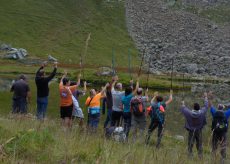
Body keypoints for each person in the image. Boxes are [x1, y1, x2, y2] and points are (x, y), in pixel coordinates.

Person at [180, 92, 209, 158]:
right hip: (199, 130)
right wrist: (205, 97)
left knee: (190, 143)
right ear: (199, 108)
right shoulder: (202, 112)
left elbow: (183, 108)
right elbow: (206, 106)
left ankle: (190, 156)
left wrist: (183, 103)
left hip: (191, 131)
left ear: (193, 107)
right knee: (199, 144)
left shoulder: (188, 113)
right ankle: (200, 156)